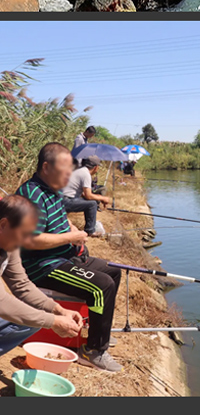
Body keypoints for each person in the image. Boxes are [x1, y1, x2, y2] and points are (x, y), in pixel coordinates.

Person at [17, 143, 122, 372]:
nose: (68, 175)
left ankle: (98, 332)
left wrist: (71, 229)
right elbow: (31, 241)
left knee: (113, 272)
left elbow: (58, 219)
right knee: (101, 286)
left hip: (65, 256)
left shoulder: (52, 188)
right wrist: (69, 237)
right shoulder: (31, 194)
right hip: (43, 266)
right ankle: (93, 351)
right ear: (46, 167)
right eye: (65, 169)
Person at [0, 194, 83, 358]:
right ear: (3, 224)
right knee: (41, 319)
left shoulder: (10, 241)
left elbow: (21, 284)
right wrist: (52, 321)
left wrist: (57, 310)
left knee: (36, 318)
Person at [61, 156, 111, 236]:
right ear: (96, 167)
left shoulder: (79, 170)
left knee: (92, 202)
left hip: (59, 199)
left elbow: (84, 194)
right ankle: (90, 230)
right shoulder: (86, 174)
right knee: (92, 204)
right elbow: (88, 195)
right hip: (64, 201)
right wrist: (103, 198)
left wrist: (98, 199)